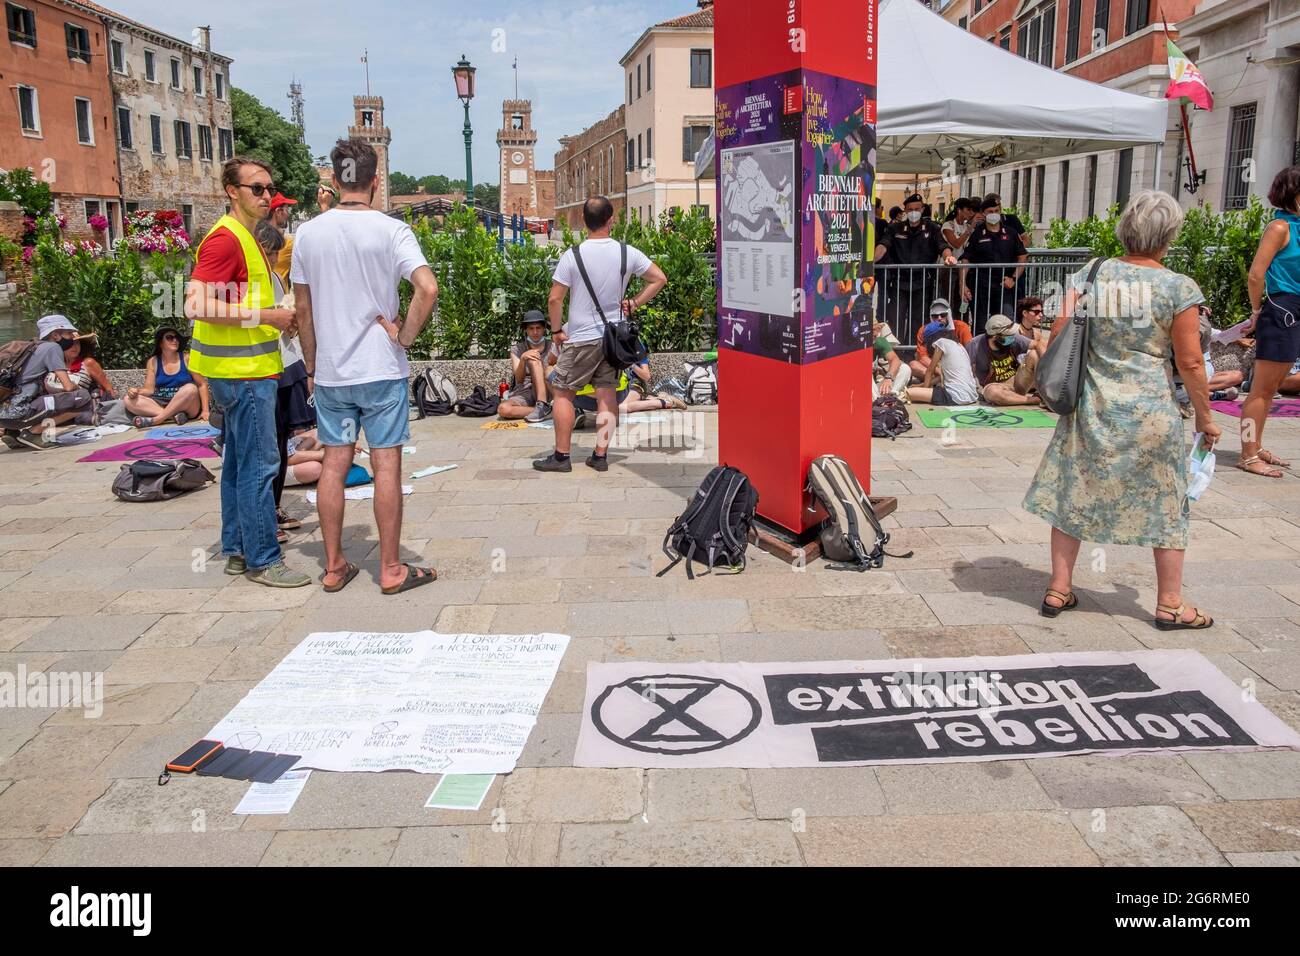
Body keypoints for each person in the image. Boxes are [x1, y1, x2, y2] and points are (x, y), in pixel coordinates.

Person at [1023, 190, 1220, 629]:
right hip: (1151, 412)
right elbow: (1189, 361)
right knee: (1168, 503)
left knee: (1072, 493)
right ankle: (1169, 603)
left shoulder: (1090, 274)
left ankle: (1058, 587)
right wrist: (1206, 417)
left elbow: (1059, 332)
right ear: (1169, 234)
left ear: (1125, 228)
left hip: (1091, 405)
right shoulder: (1177, 287)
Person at [293, 137, 440, 594]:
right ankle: (392, 568)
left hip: (333, 371)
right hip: (380, 367)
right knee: (387, 467)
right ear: (375, 180)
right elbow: (428, 288)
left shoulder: (308, 233)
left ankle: (335, 566)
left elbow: (303, 311)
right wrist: (404, 336)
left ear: (334, 180)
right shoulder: (392, 231)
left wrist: (314, 367)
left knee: (334, 465)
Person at [185, 155, 310, 589]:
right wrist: (267, 316)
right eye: (256, 188)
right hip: (243, 371)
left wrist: (273, 314)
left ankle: (237, 549)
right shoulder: (226, 240)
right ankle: (263, 558)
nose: (266, 196)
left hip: (238, 368)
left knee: (238, 464)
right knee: (261, 465)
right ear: (231, 191)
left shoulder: (246, 236)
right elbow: (195, 305)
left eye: (268, 188)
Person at [534, 196, 667, 473]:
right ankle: (600, 454)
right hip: (612, 339)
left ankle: (561, 457)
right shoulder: (626, 252)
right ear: (611, 220)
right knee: (607, 395)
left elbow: (554, 300)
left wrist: (557, 330)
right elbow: (659, 278)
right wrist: (634, 302)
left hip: (581, 336)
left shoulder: (573, 255)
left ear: (584, 221)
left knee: (562, 393)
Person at [253, 219, 315, 534]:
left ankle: (274, 509)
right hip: (257, 370)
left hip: (283, 365)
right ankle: (261, 518)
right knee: (264, 447)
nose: (274, 261)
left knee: (278, 443)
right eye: (269, 253)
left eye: (277, 254)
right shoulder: (246, 282)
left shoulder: (275, 280)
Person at [1238, 165, 1300, 478]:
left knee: (1273, 387)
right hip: (1282, 309)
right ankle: (1248, 454)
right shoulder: (1280, 228)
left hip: (1294, 309)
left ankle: (1256, 444)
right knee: (1261, 390)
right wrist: (1255, 310)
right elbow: (1255, 274)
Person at [0, 314, 96, 450]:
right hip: (19, 413)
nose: (73, 337)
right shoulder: (52, 348)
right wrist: (74, 390)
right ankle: (33, 433)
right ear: (56, 335)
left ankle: (12, 434)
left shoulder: (33, 348)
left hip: (4, 416)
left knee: (48, 398)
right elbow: (68, 386)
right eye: (69, 333)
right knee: (83, 396)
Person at [880, 193, 958, 342]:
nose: (913, 212)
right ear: (905, 211)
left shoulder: (933, 228)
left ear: (922, 209)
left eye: (917, 208)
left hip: (922, 282)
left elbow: (942, 246)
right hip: (899, 282)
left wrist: (948, 256)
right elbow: (884, 245)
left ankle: (913, 350)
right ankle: (897, 351)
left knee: (918, 319)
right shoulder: (895, 228)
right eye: (910, 209)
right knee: (896, 317)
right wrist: (872, 258)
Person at [959, 195, 1028, 325]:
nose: (994, 214)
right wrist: (963, 285)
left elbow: (1023, 257)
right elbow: (966, 260)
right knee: (981, 324)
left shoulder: (1011, 233)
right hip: (981, 286)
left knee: (1007, 323)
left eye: (996, 211)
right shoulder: (977, 234)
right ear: (983, 213)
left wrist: (1013, 278)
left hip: (1004, 285)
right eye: (990, 212)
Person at [125, 326, 208, 428]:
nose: (175, 340)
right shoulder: (153, 361)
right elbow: (149, 390)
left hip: (188, 405)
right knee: (128, 400)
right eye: (169, 337)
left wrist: (205, 411)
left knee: (191, 388)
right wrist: (135, 391)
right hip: (161, 403)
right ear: (161, 343)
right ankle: (173, 417)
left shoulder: (187, 358)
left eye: (176, 338)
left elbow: (202, 384)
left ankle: (157, 420)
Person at [498, 310, 561, 422]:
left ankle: (543, 405)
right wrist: (523, 359)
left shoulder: (553, 346)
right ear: (526, 330)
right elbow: (519, 379)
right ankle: (546, 411)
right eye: (531, 328)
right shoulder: (517, 349)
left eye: (538, 328)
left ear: (544, 329)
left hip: (548, 390)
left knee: (534, 360)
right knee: (503, 409)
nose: (535, 332)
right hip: (525, 390)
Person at [967, 314, 1039, 406]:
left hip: (1018, 381)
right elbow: (966, 369)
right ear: (995, 336)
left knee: (1034, 355)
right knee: (993, 392)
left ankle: (1042, 394)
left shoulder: (1013, 338)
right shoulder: (974, 345)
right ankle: (1031, 400)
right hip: (996, 386)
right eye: (1008, 335)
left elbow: (1038, 345)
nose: (1012, 337)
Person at [906, 324, 979, 406]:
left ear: (931, 338)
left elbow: (930, 371)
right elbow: (941, 378)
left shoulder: (941, 343)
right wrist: (920, 385)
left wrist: (924, 390)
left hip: (955, 396)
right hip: (971, 395)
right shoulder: (959, 345)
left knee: (908, 393)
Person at [909, 297, 972, 379]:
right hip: (935, 367)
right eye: (935, 316)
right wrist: (939, 371)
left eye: (943, 315)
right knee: (913, 365)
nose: (939, 318)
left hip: (957, 367)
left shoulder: (962, 327)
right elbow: (922, 357)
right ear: (931, 316)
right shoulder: (924, 330)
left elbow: (970, 352)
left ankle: (939, 380)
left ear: (949, 315)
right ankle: (940, 380)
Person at [872, 319, 909, 400]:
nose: (875, 333)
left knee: (905, 368)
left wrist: (888, 378)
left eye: (877, 329)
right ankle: (879, 401)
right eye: (872, 330)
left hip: (876, 388)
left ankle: (890, 397)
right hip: (862, 388)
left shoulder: (879, 341)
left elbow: (895, 360)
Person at [267, 193, 297, 288]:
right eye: (287, 210)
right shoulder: (288, 244)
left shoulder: (255, 240)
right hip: (280, 300)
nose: (288, 214)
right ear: (279, 211)